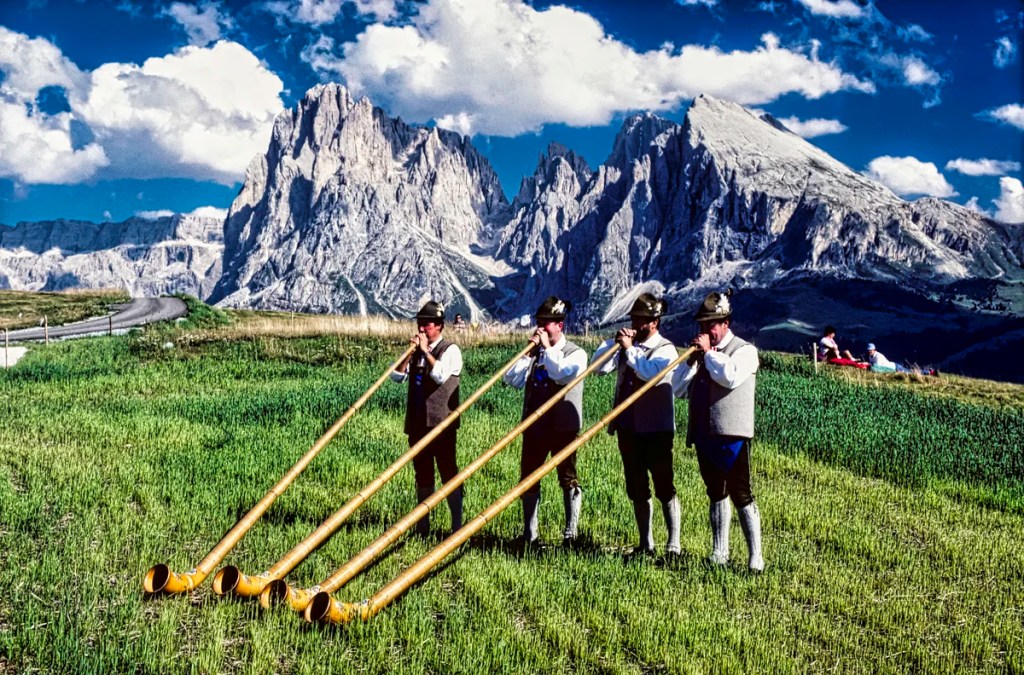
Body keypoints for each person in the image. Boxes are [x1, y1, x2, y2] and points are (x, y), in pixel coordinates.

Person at [672, 290, 763, 572]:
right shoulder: (703, 355)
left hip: (732, 436)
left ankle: (756, 558)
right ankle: (719, 553)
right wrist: (691, 362)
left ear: (725, 323)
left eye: (710, 324)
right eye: (702, 325)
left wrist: (708, 354)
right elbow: (678, 389)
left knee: (741, 493)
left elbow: (730, 376)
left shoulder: (745, 351)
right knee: (715, 492)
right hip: (705, 434)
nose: (705, 330)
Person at [592, 293, 681, 557]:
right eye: (633, 319)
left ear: (654, 322)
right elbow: (598, 368)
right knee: (637, 486)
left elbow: (649, 373)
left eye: (640, 320)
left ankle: (673, 544)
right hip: (628, 428)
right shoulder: (627, 346)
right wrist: (614, 344)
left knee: (664, 486)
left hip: (656, 429)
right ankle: (646, 543)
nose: (635, 324)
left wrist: (629, 349)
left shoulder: (666, 349)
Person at [502, 296, 588, 546]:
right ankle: (530, 535)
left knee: (567, 477)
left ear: (559, 325)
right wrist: (526, 356)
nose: (540, 329)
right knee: (529, 476)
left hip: (563, 425)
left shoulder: (576, 353)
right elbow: (511, 379)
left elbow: (560, 373)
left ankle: (571, 533)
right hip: (535, 425)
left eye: (546, 324)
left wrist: (547, 349)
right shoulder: (537, 354)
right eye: (539, 323)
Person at [391, 300, 463, 536]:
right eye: (420, 324)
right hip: (417, 423)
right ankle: (423, 527)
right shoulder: (416, 352)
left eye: (427, 324)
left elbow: (440, 375)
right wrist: (409, 353)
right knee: (422, 473)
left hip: (441, 424)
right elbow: (396, 377)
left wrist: (424, 351)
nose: (422, 329)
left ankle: (457, 525)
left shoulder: (450, 350)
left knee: (448, 471)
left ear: (439, 325)